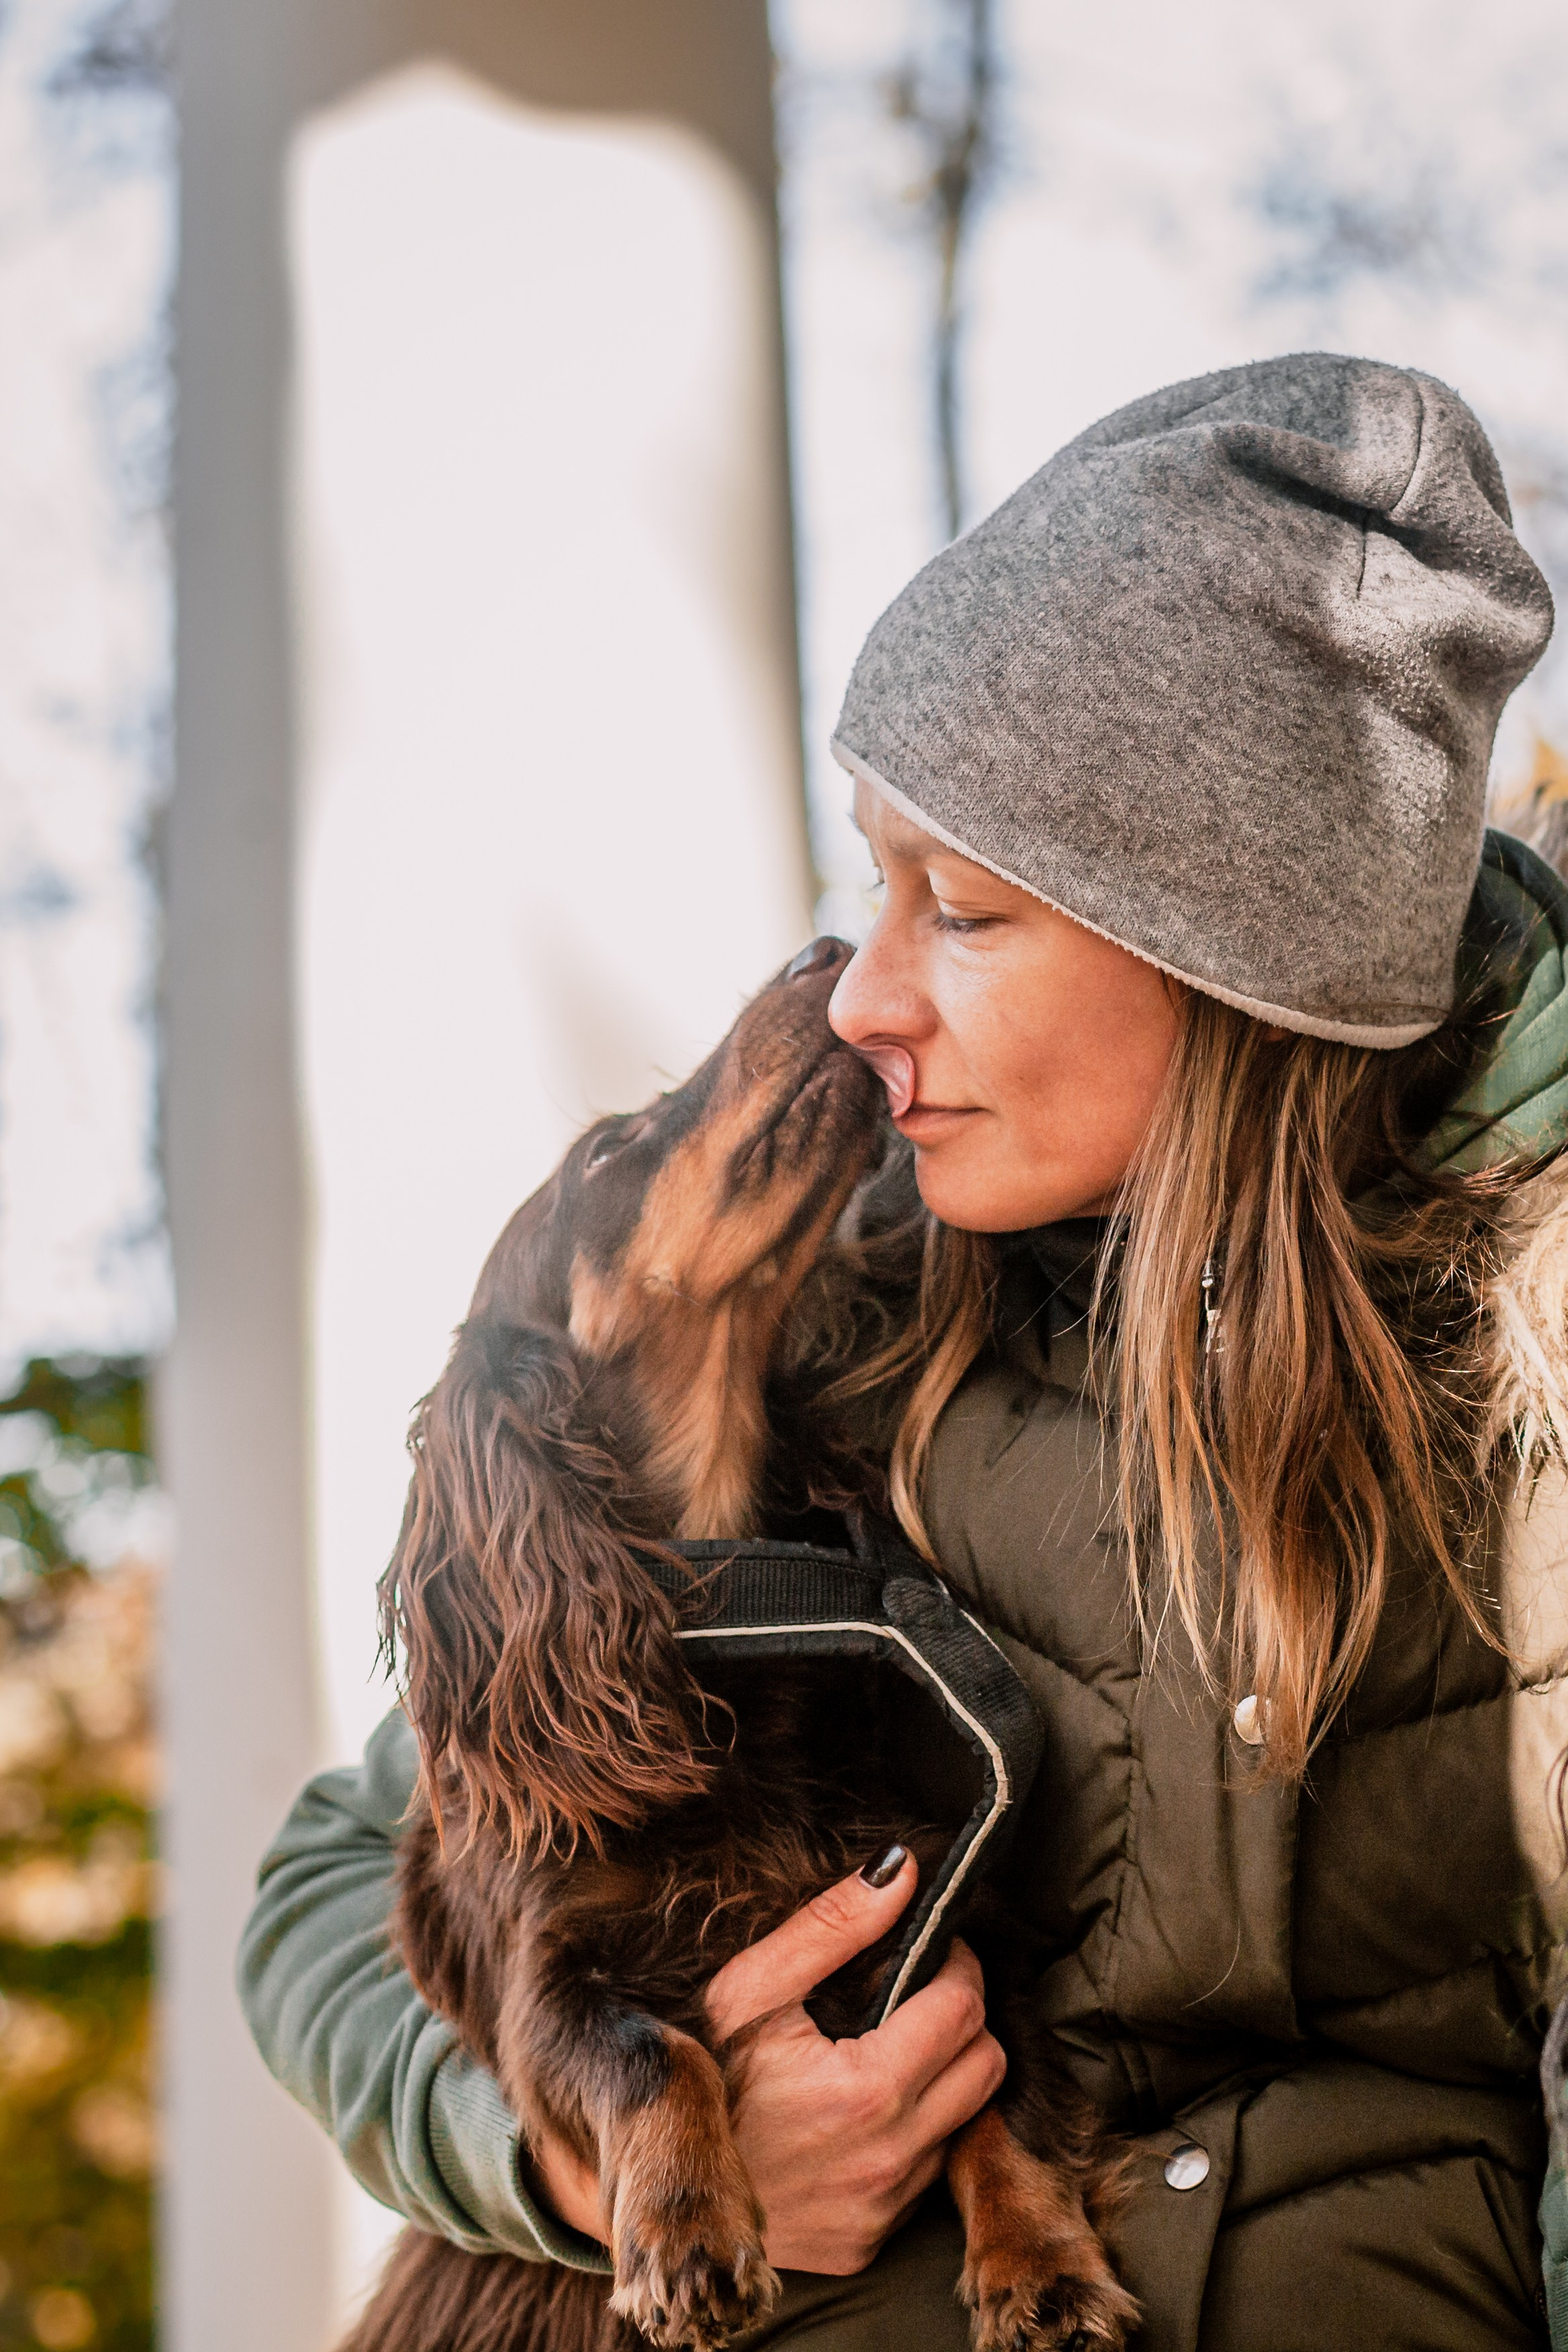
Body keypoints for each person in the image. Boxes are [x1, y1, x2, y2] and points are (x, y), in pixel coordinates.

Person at [241, 353, 1568, 2348]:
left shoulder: (1533, 1358)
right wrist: (571, 2160)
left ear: (1233, 959)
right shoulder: (833, 1315)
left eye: (963, 910)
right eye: (874, 880)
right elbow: (354, 1881)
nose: (861, 997)